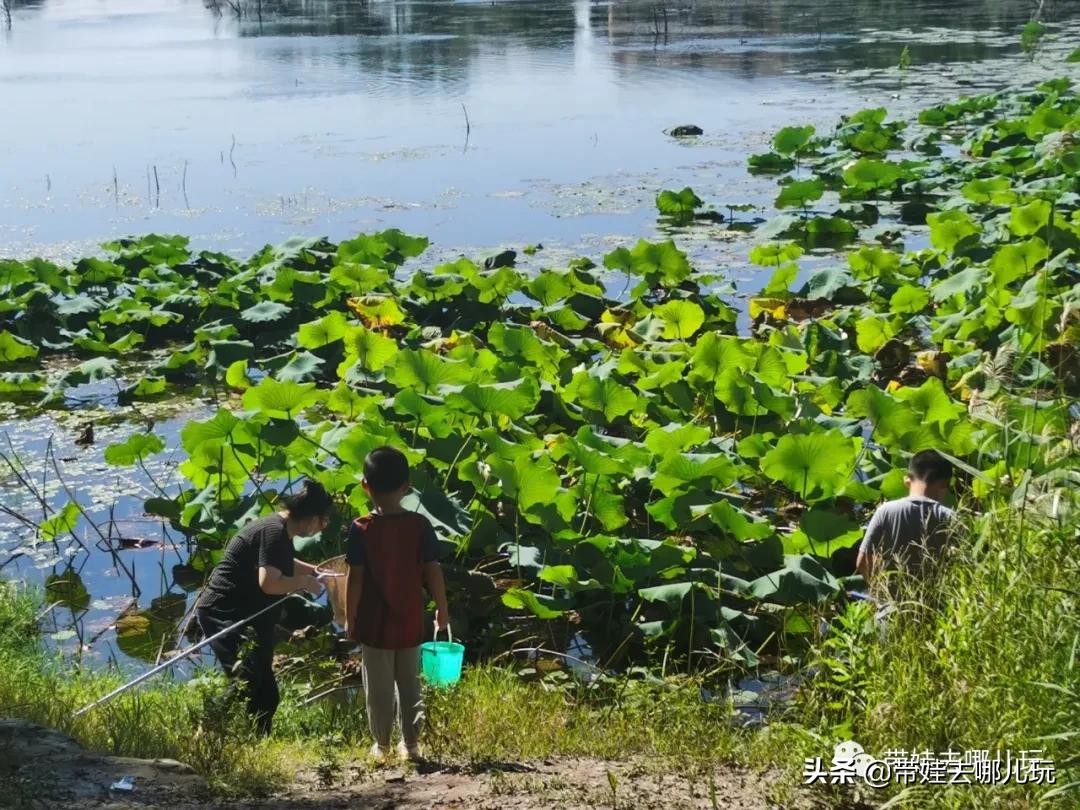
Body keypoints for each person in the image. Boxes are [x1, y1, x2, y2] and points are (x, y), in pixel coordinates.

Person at [196, 480, 332, 735]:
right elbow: (269, 582)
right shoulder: (272, 531)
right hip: (223, 611)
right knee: (244, 677)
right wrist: (303, 583)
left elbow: (282, 562)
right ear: (312, 518)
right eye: (323, 521)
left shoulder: (280, 530)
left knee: (267, 693)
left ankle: (258, 741)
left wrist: (315, 571)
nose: (322, 527)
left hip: (249, 611)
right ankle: (207, 730)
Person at [345, 446, 449, 762]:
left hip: (374, 624)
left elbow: (355, 578)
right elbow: (433, 570)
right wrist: (442, 610)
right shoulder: (420, 526)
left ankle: (383, 746)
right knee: (410, 685)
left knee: (377, 689)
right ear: (407, 485)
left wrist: (350, 619)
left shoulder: (360, 528)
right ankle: (413, 745)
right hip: (411, 620)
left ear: (365, 485)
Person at [855, 450, 957, 591]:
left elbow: (863, 561)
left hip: (888, 608)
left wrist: (880, 591)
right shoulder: (950, 517)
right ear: (944, 484)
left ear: (907, 479)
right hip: (936, 608)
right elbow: (961, 567)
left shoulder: (886, 510)